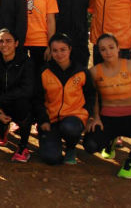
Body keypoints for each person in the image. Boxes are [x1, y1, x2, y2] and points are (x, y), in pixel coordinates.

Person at [84, 33, 131, 179]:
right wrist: (95, 118)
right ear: (99, 51)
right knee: (90, 145)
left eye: (111, 47)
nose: (108, 52)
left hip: (130, 117)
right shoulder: (94, 71)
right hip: (107, 120)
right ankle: (110, 142)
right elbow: (94, 99)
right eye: (103, 49)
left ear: (118, 48)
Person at [33, 33, 96, 165]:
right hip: (51, 120)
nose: (59, 54)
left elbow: (90, 95)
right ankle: (53, 143)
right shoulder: (44, 71)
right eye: (55, 50)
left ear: (70, 50)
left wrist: (87, 114)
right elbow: (37, 99)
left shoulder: (81, 71)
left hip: (73, 118)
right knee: (51, 158)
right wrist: (43, 120)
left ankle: (71, 147)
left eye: (63, 49)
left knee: (70, 128)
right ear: (50, 51)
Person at [0, 28, 34, 162]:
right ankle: (3, 130)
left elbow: (27, 89)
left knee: (23, 104)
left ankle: (23, 147)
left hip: (17, 104)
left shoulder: (26, 62)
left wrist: (0, 101)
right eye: (1, 41)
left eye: (8, 41)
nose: (4, 44)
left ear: (16, 43)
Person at [18, 0, 58, 76]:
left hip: (40, 42)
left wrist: (50, 45)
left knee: (39, 78)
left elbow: (51, 21)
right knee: (22, 77)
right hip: (20, 42)